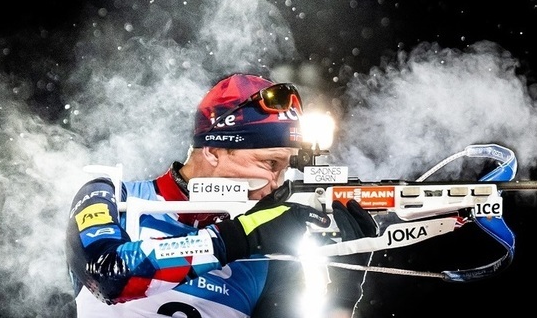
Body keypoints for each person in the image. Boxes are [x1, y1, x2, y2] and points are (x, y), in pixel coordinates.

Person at [65, 73, 377, 318]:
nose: (275, 184)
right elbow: (108, 274)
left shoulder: (264, 252)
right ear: (213, 150)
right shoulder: (110, 194)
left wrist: (343, 293)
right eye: (270, 164)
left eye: (283, 169)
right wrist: (239, 236)